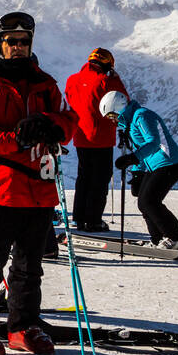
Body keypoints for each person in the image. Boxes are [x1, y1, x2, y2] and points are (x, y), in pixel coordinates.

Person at [0, 12, 77, 355]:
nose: (18, 47)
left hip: (39, 189)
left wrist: (52, 125)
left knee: (30, 265)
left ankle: (22, 327)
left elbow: (69, 119)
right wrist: (20, 137)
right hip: (0, 188)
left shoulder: (47, 84)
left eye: (24, 41)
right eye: (11, 41)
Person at [100, 91, 178, 248]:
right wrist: (137, 172)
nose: (112, 120)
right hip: (154, 165)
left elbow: (153, 143)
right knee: (143, 203)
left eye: (112, 116)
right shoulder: (129, 122)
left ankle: (177, 237)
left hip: (169, 163)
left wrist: (132, 158)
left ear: (119, 108)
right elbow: (141, 147)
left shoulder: (141, 116)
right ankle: (158, 239)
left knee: (150, 201)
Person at [64, 48, 128, 232]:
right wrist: (115, 78)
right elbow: (122, 100)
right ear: (108, 64)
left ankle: (79, 217)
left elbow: (68, 101)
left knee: (84, 177)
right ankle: (93, 220)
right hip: (101, 137)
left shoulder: (72, 80)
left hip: (80, 136)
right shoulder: (107, 81)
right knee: (99, 179)